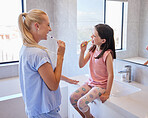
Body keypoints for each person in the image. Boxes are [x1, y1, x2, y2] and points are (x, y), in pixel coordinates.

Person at [18, 9, 79, 118]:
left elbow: (45, 75)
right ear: (37, 26)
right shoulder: (39, 53)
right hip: (45, 112)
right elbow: (54, 85)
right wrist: (60, 56)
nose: (50, 29)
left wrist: (67, 79)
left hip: (35, 110)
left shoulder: (26, 49)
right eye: (48, 25)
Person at [70, 24, 116, 118]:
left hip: (101, 86)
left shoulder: (107, 54)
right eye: (92, 34)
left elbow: (111, 75)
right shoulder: (92, 50)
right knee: (72, 98)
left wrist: (107, 93)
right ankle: (88, 117)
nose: (91, 37)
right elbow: (81, 64)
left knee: (81, 103)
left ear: (103, 41)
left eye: (94, 36)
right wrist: (82, 51)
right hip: (91, 83)